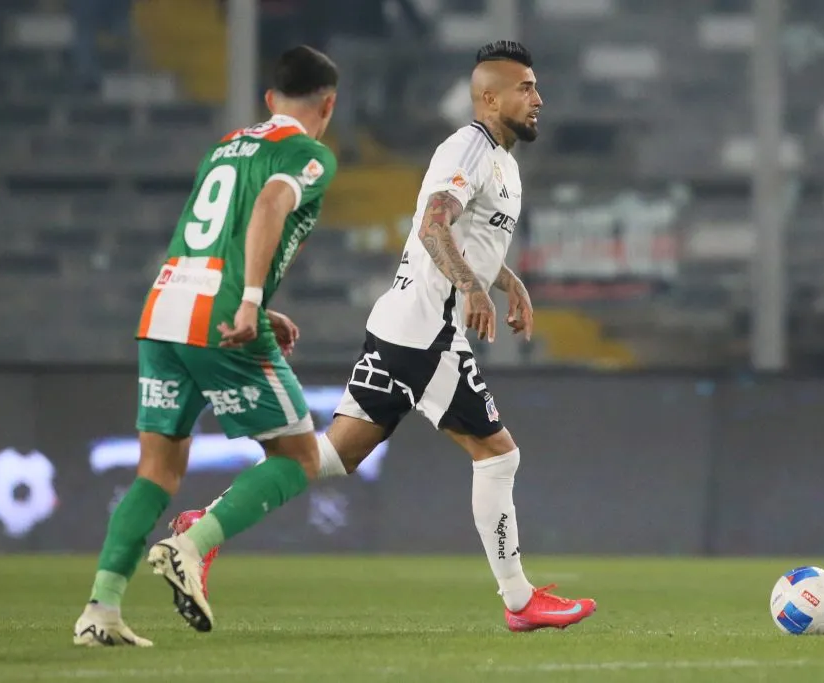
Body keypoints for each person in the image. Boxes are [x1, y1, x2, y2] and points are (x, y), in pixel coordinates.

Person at [168, 40, 597, 634]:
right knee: (499, 455)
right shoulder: (468, 147)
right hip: (427, 334)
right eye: (526, 88)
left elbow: (469, 235)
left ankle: (204, 527)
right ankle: (520, 601)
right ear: (489, 96)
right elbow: (433, 223)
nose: (538, 99)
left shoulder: (502, 162)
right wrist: (472, 290)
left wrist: (506, 281)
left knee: (329, 456)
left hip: (402, 328)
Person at [72, 45, 339, 647]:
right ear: (329, 104)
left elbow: (211, 234)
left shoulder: (224, 146)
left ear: (269, 100)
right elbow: (272, 203)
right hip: (221, 315)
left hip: (166, 304)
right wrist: (249, 301)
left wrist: (257, 300)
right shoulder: (309, 153)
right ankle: (188, 546)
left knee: (157, 469)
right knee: (298, 458)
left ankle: (101, 610)